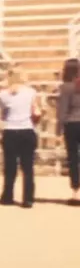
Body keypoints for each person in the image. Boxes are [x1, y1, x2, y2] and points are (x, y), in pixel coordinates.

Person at [0, 67, 41, 207]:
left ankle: (7, 196)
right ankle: (28, 198)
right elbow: (35, 110)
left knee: (10, 166)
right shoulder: (31, 92)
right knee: (28, 167)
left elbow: (3, 114)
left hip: (10, 130)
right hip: (27, 129)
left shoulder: (3, 94)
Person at [56, 57, 80, 203]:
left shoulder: (65, 87)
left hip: (71, 124)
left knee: (73, 158)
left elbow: (62, 111)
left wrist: (58, 130)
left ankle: (76, 191)